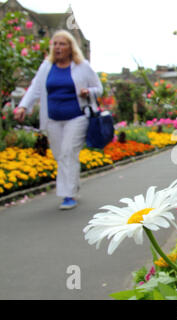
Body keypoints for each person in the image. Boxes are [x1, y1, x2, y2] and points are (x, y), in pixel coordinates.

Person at [14, 30, 102, 210]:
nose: (58, 47)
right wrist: (23, 106)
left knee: (67, 152)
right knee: (60, 155)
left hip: (76, 117)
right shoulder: (47, 67)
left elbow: (98, 88)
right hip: (53, 118)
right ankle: (72, 184)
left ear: (71, 47)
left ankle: (67, 195)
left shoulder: (82, 66)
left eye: (62, 44)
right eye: (55, 44)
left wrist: (88, 92)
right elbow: (35, 89)